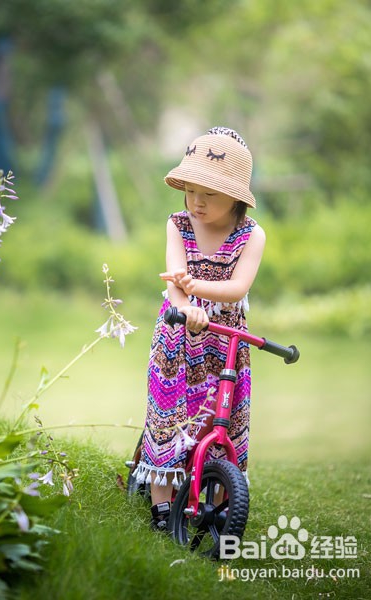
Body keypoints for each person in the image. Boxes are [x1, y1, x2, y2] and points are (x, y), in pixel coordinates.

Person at [131, 126, 266, 531]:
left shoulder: (251, 236)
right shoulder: (178, 224)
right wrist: (186, 302)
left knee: (226, 418)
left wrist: (197, 287)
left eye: (209, 194)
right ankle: (160, 507)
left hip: (225, 340)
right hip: (179, 331)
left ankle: (224, 504)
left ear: (236, 197)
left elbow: (237, 288)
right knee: (169, 414)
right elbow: (175, 283)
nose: (197, 202)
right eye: (190, 191)